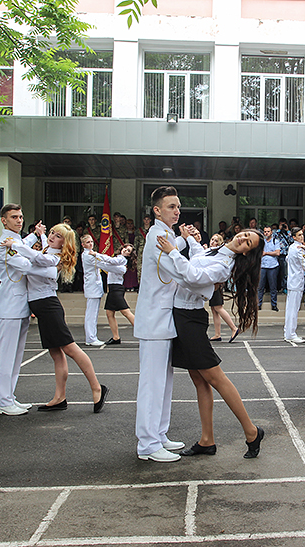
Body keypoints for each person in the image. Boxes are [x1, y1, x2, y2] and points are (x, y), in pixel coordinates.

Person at [157, 225, 265, 458]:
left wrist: (172, 251)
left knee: (216, 378)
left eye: (248, 242)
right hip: (181, 315)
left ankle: (251, 431)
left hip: (189, 318)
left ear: (247, 252)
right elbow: (198, 255)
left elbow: (193, 276)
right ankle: (207, 440)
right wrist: (189, 239)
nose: (243, 239)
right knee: (199, 380)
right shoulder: (215, 250)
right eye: (245, 234)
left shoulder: (224, 265)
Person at [0, 223, 108, 413]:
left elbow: (36, 261)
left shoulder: (55, 257)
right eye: (51, 233)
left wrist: (15, 246)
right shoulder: (46, 250)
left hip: (48, 306)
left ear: (64, 242)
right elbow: (39, 253)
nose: (52, 237)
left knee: (70, 349)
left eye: (58, 236)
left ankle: (97, 387)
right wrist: (38, 235)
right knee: (56, 354)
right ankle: (60, 397)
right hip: (41, 307)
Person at [133, 186, 188, 463]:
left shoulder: (167, 236)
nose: (177, 211)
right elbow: (179, 270)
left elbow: (175, 251)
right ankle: (148, 443)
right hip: (154, 319)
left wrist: (185, 241)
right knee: (152, 385)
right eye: (171, 207)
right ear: (157, 210)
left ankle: (159, 434)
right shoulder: (158, 237)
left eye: (178, 206)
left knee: (164, 383)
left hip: (163, 318)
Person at [0, 204, 49, 416]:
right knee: (6, 356)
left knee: (16, 356)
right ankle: (2, 401)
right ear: (4, 220)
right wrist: (45, 262)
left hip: (20, 304)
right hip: (10, 304)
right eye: (14, 217)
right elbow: (25, 265)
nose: (19, 220)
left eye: (21, 217)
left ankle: (9, 396)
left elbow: (23, 244)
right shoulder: (5, 244)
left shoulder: (15, 241)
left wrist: (36, 235)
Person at [92, 240, 137, 345]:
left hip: (117, 289)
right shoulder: (119, 259)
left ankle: (143, 332)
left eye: (128, 250)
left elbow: (110, 263)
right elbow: (109, 265)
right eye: (125, 248)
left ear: (129, 255)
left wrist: (96, 255)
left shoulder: (121, 259)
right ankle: (116, 337)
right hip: (112, 289)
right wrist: (101, 261)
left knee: (126, 312)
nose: (125, 250)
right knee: (109, 313)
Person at [206, 233, 240, 343]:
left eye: (216, 241)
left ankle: (234, 328)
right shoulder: (210, 251)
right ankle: (217, 334)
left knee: (218, 307)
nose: (213, 242)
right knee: (214, 309)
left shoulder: (218, 253)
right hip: (212, 284)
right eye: (212, 239)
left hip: (216, 284)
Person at [79, 234, 107, 347]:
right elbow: (103, 263)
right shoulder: (88, 255)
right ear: (83, 245)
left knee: (93, 314)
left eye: (91, 241)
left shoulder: (92, 254)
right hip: (92, 287)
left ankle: (92, 336)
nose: (90, 244)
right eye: (88, 242)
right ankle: (90, 338)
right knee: (91, 314)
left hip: (95, 286)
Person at [283, 227, 305, 343]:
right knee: (293, 309)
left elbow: (287, 259)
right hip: (296, 281)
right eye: (299, 235)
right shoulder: (298, 249)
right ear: (294, 237)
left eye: (302, 234)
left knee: (291, 308)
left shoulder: (292, 248)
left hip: (293, 281)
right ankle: (291, 334)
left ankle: (288, 331)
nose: (302, 237)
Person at [257, 226, 280, 312]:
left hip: (272, 266)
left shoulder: (275, 241)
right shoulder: (261, 242)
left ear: (271, 232)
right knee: (260, 286)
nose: (266, 233)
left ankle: (274, 305)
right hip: (262, 266)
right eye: (265, 231)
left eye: (268, 231)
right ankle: (258, 304)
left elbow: (277, 253)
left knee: (273, 286)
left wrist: (266, 253)